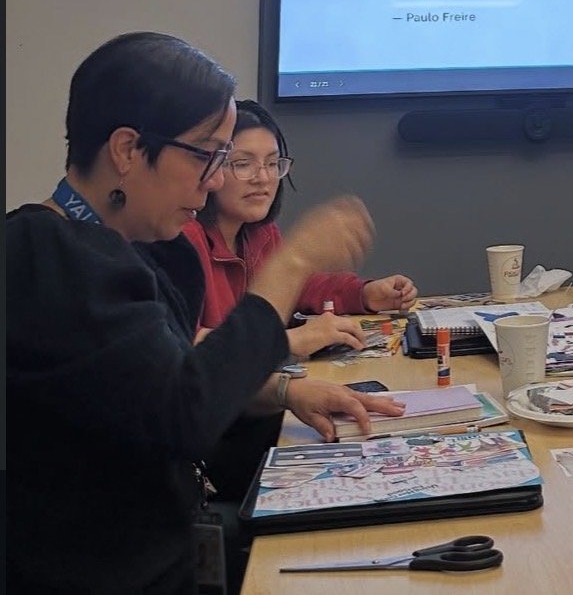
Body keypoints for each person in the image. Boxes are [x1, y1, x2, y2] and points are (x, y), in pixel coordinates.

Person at [6, 31, 404, 595]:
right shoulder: (45, 259)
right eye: (206, 155)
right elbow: (182, 412)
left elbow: (160, 380)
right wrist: (292, 266)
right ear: (126, 150)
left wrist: (284, 393)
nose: (217, 179)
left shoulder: (133, 249)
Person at [181, 99, 417, 358]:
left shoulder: (261, 233)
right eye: (243, 163)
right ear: (212, 166)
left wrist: (365, 294)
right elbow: (181, 341)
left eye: (272, 164)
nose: (263, 178)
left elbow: (301, 287)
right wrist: (287, 340)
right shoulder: (185, 238)